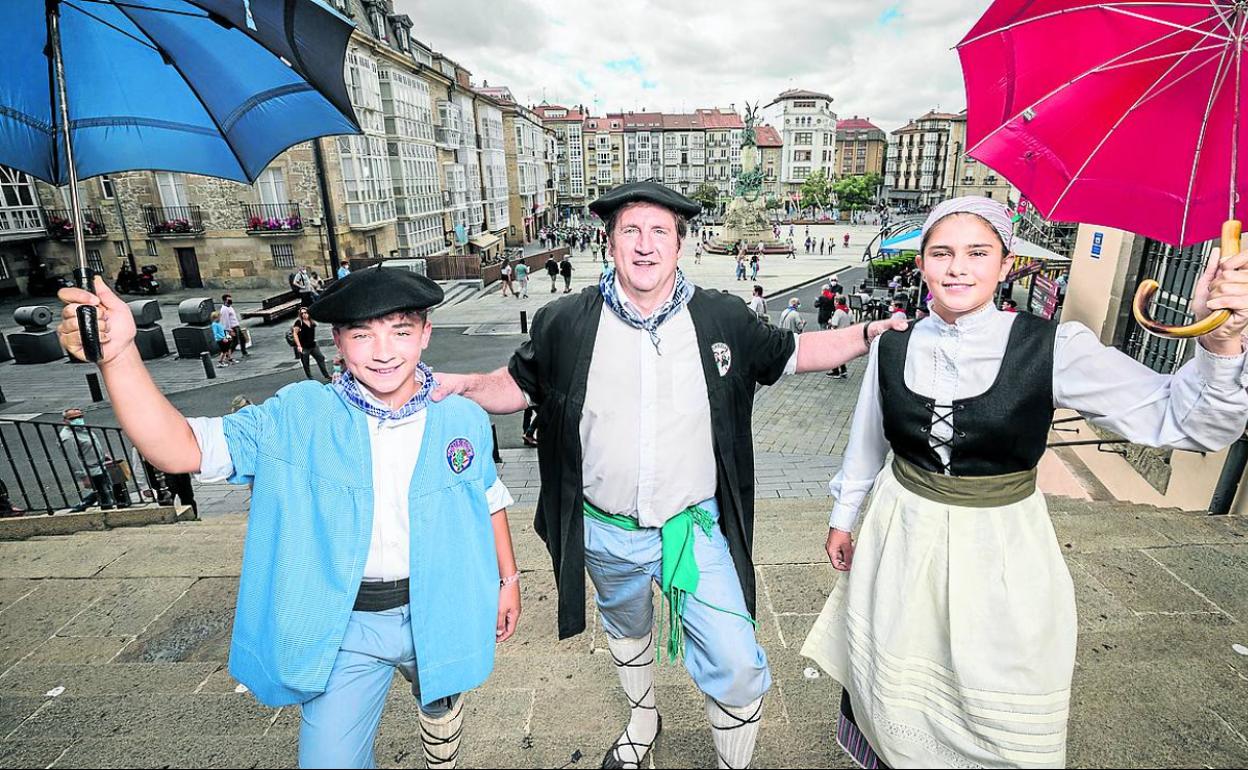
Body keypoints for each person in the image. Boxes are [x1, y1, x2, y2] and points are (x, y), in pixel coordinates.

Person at [432, 180, 905, 770]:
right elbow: (515, 385)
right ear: (610, 244)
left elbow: (795, 351)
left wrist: (866, 336)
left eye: (660, 231)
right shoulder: (566, 322)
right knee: (627, 632)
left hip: (694, 528)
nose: (646, 244)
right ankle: (642, 720)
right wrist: (459, 387)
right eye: (631, 231)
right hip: (604, 530)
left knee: (736, 667)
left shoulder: (721, 318)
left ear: (681, 244)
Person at [800, 196, 1248, 769]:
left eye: (977, 252)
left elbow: (1187, 422)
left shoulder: (1054, 347)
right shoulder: (894, 343)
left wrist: (1220, 342)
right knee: (894, 662)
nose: (957, 267)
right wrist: (844, 516)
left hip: (1001, 544)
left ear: (1007, 263)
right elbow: (868, 440)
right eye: (941, 253)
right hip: (901, 531)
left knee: (995, 679)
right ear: (921, 265)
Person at [56, 267, 521, 770]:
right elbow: (179, 448)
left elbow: (486, 497)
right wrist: (120, 356)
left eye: (400, 331)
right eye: (362, 334)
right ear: (337, 341)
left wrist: (508, 579)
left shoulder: (461, 417)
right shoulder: (295, 416)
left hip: (445, 601)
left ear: (425, 335)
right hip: (347, 624)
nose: (383, 351)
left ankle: (439, 709)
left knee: (440, 682)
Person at [59, 408, 115, 511]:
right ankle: (105, 512)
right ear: (65, 421)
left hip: (99, 465)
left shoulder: (82, 429)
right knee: (105, 493)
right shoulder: (68, 437)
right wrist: (84, 476)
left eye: (80, 416)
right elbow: (73, 459)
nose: (78, 419)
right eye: (73, 418)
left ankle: (81, 507)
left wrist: (103, 455)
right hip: (91, 470)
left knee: (103, 490)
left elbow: (91, 444)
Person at [292, 306, 332, 381]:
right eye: (302, 313)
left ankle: (326, 375)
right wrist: (299, 346)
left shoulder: (311, 321)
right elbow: (295, 334)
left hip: (313, 345)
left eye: (305, 313)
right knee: (306, 363)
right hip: (304, 347)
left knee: (321, 358)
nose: (304, 314)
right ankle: (310, 378)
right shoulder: (299, 322)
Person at [826, 299, 852, 378]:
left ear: (838, 302)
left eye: (835, 301)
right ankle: (843, 371)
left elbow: (834, 325)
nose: (834, 303)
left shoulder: (838, 312)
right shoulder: (849, 310)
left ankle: (836, 372)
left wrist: (830, 322)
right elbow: (852, 322)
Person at [219, 294, 248, 358]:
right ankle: (227, 355)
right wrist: (229, 330)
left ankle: (244, 352)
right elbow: (225, 321)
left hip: (236, 326)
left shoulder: (230, 307)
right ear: (224, 301)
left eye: (231, 299)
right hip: (232, 327)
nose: (230, 301)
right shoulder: (224, 309)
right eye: (229, 300)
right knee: (235, 342)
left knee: (242, 339)